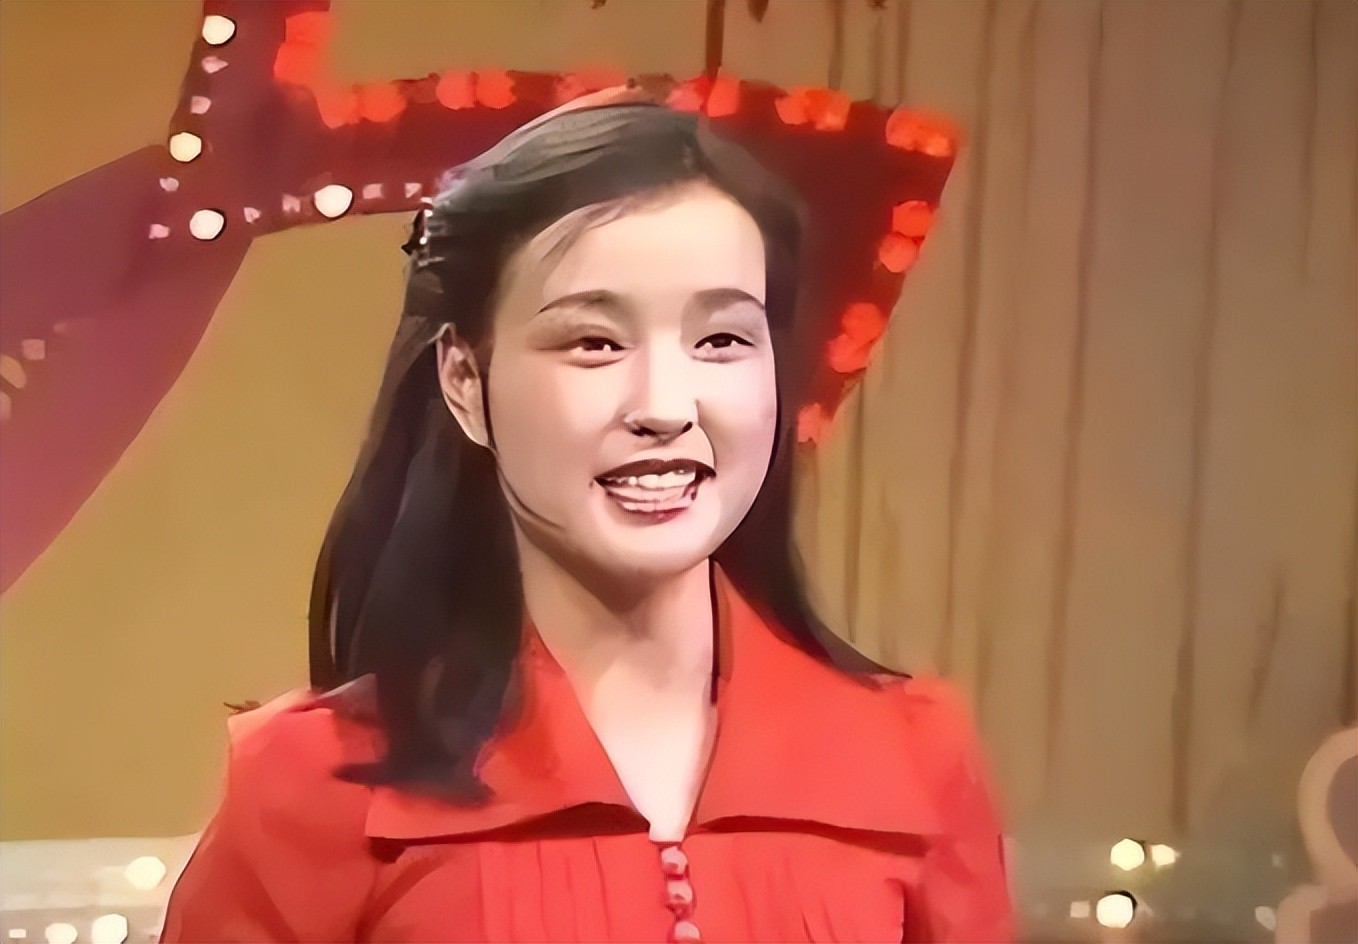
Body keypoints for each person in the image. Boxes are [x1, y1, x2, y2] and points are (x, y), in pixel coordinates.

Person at [157, 86, 1013, 944]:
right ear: (465, 381)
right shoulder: (318, 784)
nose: (665, 406)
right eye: (594, 342)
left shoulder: (914, 759)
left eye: (721, 340)